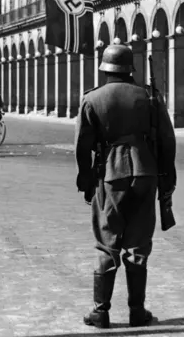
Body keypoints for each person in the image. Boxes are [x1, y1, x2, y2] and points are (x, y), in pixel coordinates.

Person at [75, 44, 177, 329]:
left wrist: (86, 181)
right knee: (138, 243)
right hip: (146, 173)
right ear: (130, 69)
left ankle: (101, 311)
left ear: (105, 70)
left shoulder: (92, 99)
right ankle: (136, 310)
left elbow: (82, 147)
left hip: (110, 174)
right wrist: (167, 178)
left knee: (107, 241)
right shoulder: (150, 96)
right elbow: (167, 142)